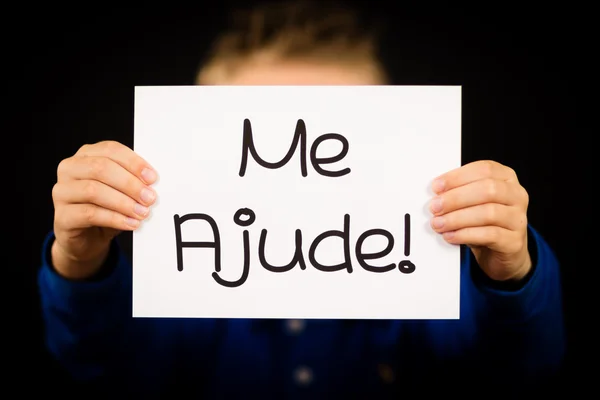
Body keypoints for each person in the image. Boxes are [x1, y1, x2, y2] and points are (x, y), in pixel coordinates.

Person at [38, 0, 566, 397]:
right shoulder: (172, 287)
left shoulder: (428, 274)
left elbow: (516, 367)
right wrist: (80, 263)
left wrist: (509, 271)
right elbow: (101, 365)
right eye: (256, 133)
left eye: (333, 136)